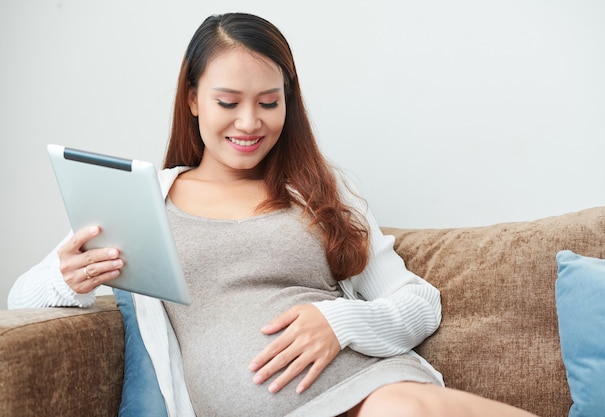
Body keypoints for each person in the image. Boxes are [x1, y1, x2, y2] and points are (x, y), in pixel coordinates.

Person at [9, 12, 539, 417]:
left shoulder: (320, 190)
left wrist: (339, 322)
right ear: (192, 99)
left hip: (366, 392)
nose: (249, 122)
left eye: (268, 101)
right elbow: (21, 300)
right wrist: (66, 278)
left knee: (397, 410)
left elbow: (418, 302)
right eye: (228, 101)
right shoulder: (143, 198)